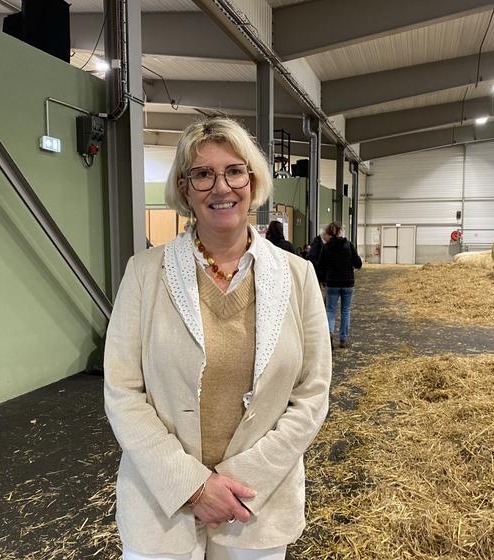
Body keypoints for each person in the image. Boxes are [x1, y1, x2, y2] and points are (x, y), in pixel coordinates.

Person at [104, 117, 332, 559]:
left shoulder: (298, 276)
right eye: (202, 174)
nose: (221, 187)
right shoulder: (144, 274)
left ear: (252, 180)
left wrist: (241, 480)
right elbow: (123, 392)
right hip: (161, 504)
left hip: (255, 505)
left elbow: (312, 394)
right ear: (184, 188)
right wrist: (192, 486)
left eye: (234, 171)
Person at [317, 221, 362, 349]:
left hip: (332, 283)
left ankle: (329, 334)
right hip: (348, 282)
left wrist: (323, 280)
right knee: (345, 311)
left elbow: (321, 267)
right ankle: (343, 339)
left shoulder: (326, 247)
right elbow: (358, 263)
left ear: (329, 233)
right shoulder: (348, 245)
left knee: (330, 310)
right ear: (341, 231)